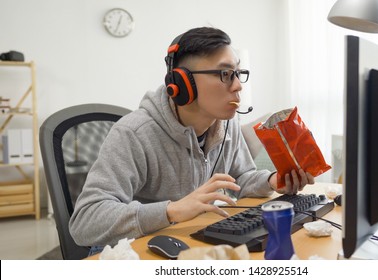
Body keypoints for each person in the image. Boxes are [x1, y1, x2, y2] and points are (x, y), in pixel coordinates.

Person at [69, 26, 315, 247]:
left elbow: (242, 177)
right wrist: (171, 211)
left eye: (239, 73)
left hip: (186, 243)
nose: (238, 85)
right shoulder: (134, 133)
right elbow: (85, 222)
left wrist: (272, 181)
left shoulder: (226, 124)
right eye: (225, 73)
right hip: (134, 252)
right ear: (182, 83)